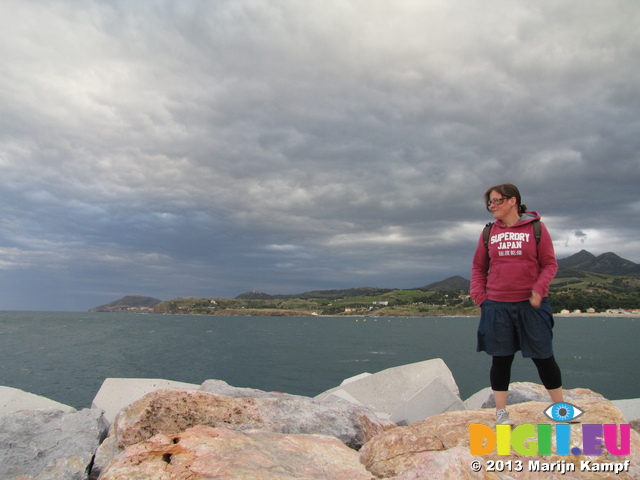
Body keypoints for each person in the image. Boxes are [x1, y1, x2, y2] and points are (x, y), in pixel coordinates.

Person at [470, 183, 563, 425]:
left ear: (513, 201)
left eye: (497, 200)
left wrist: (538, 290)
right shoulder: (488, 232)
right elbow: (479, 268)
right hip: (496, 306)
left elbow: (550, 264)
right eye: (489, 202)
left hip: (530, 306)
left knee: (544, 357)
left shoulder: (536, 228)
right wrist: (480, 297)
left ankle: (560, 409)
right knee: (501, 359)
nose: (492, 206)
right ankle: (501, 412)